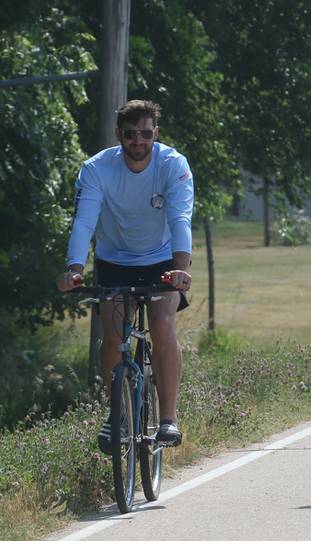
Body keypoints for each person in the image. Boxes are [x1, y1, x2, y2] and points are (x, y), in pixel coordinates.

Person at [57, 99, 193, 452]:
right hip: (114, 259)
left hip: (163, 259)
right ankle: (117, 410)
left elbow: (180, 219)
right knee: (114, 333)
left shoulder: (173, 165)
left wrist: (181, 268)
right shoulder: (97, 168)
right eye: (130, 134)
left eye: (145, 134)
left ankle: (168, 419)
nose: (138, 142)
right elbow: (85, 221)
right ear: (119, 135)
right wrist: (74, 268)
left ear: (156, 134)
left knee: (162, 324)